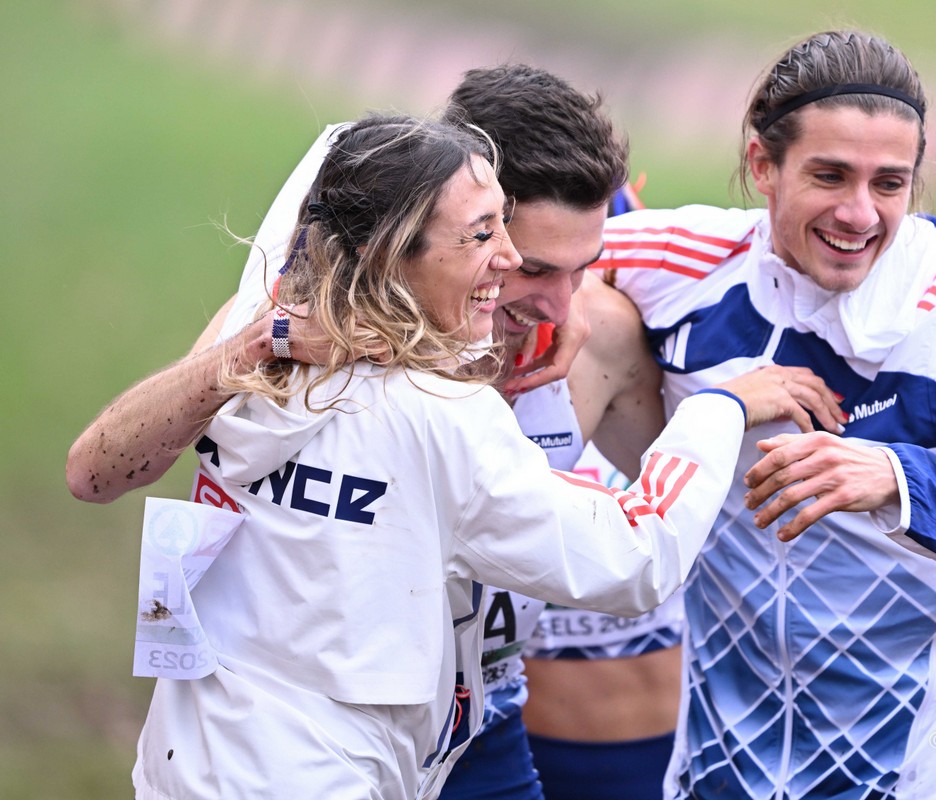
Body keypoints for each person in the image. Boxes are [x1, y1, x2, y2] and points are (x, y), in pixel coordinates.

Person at [128, 111, 836, 799]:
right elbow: (636, 555)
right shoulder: (286, 351)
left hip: (355, 739)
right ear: (424, 238)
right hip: (332, 760)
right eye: (520, 258)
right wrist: (718, 410)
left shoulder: (267, 334)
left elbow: (100, 479)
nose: (556, 302)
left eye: (582, 272)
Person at [599, 29, 936, 800]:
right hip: (728, 773)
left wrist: (896, 478)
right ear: (762, 165)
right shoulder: (672, 260)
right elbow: (507, 247)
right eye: (831, 175)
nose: (859, 213)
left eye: (889, 183)